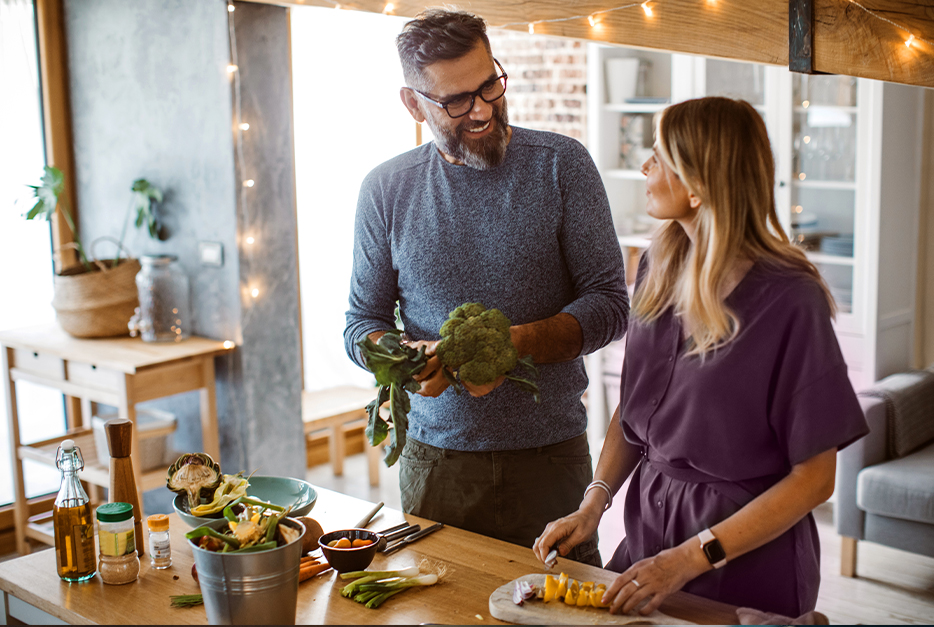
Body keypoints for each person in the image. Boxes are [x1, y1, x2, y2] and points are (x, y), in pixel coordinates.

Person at [533, 96, 869, 615]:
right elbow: (633, 411)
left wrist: (691, 558)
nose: (644, 166)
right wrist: (593, 504)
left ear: (700, 183)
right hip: (647, 542)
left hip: (750, 561)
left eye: (659, 156)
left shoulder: (789, 298)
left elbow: (815, 478)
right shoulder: (654, 268)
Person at [343, 8, 629, 566]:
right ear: (413, 104)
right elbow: (360, 324)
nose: (481, 110)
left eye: (490, 86)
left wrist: (511, 344)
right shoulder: (386, 190)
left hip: (552, 459)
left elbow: (610, 305)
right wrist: (404, 358)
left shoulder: (562, 165)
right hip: (437, 465)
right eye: (456, 100)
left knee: (565, 612)